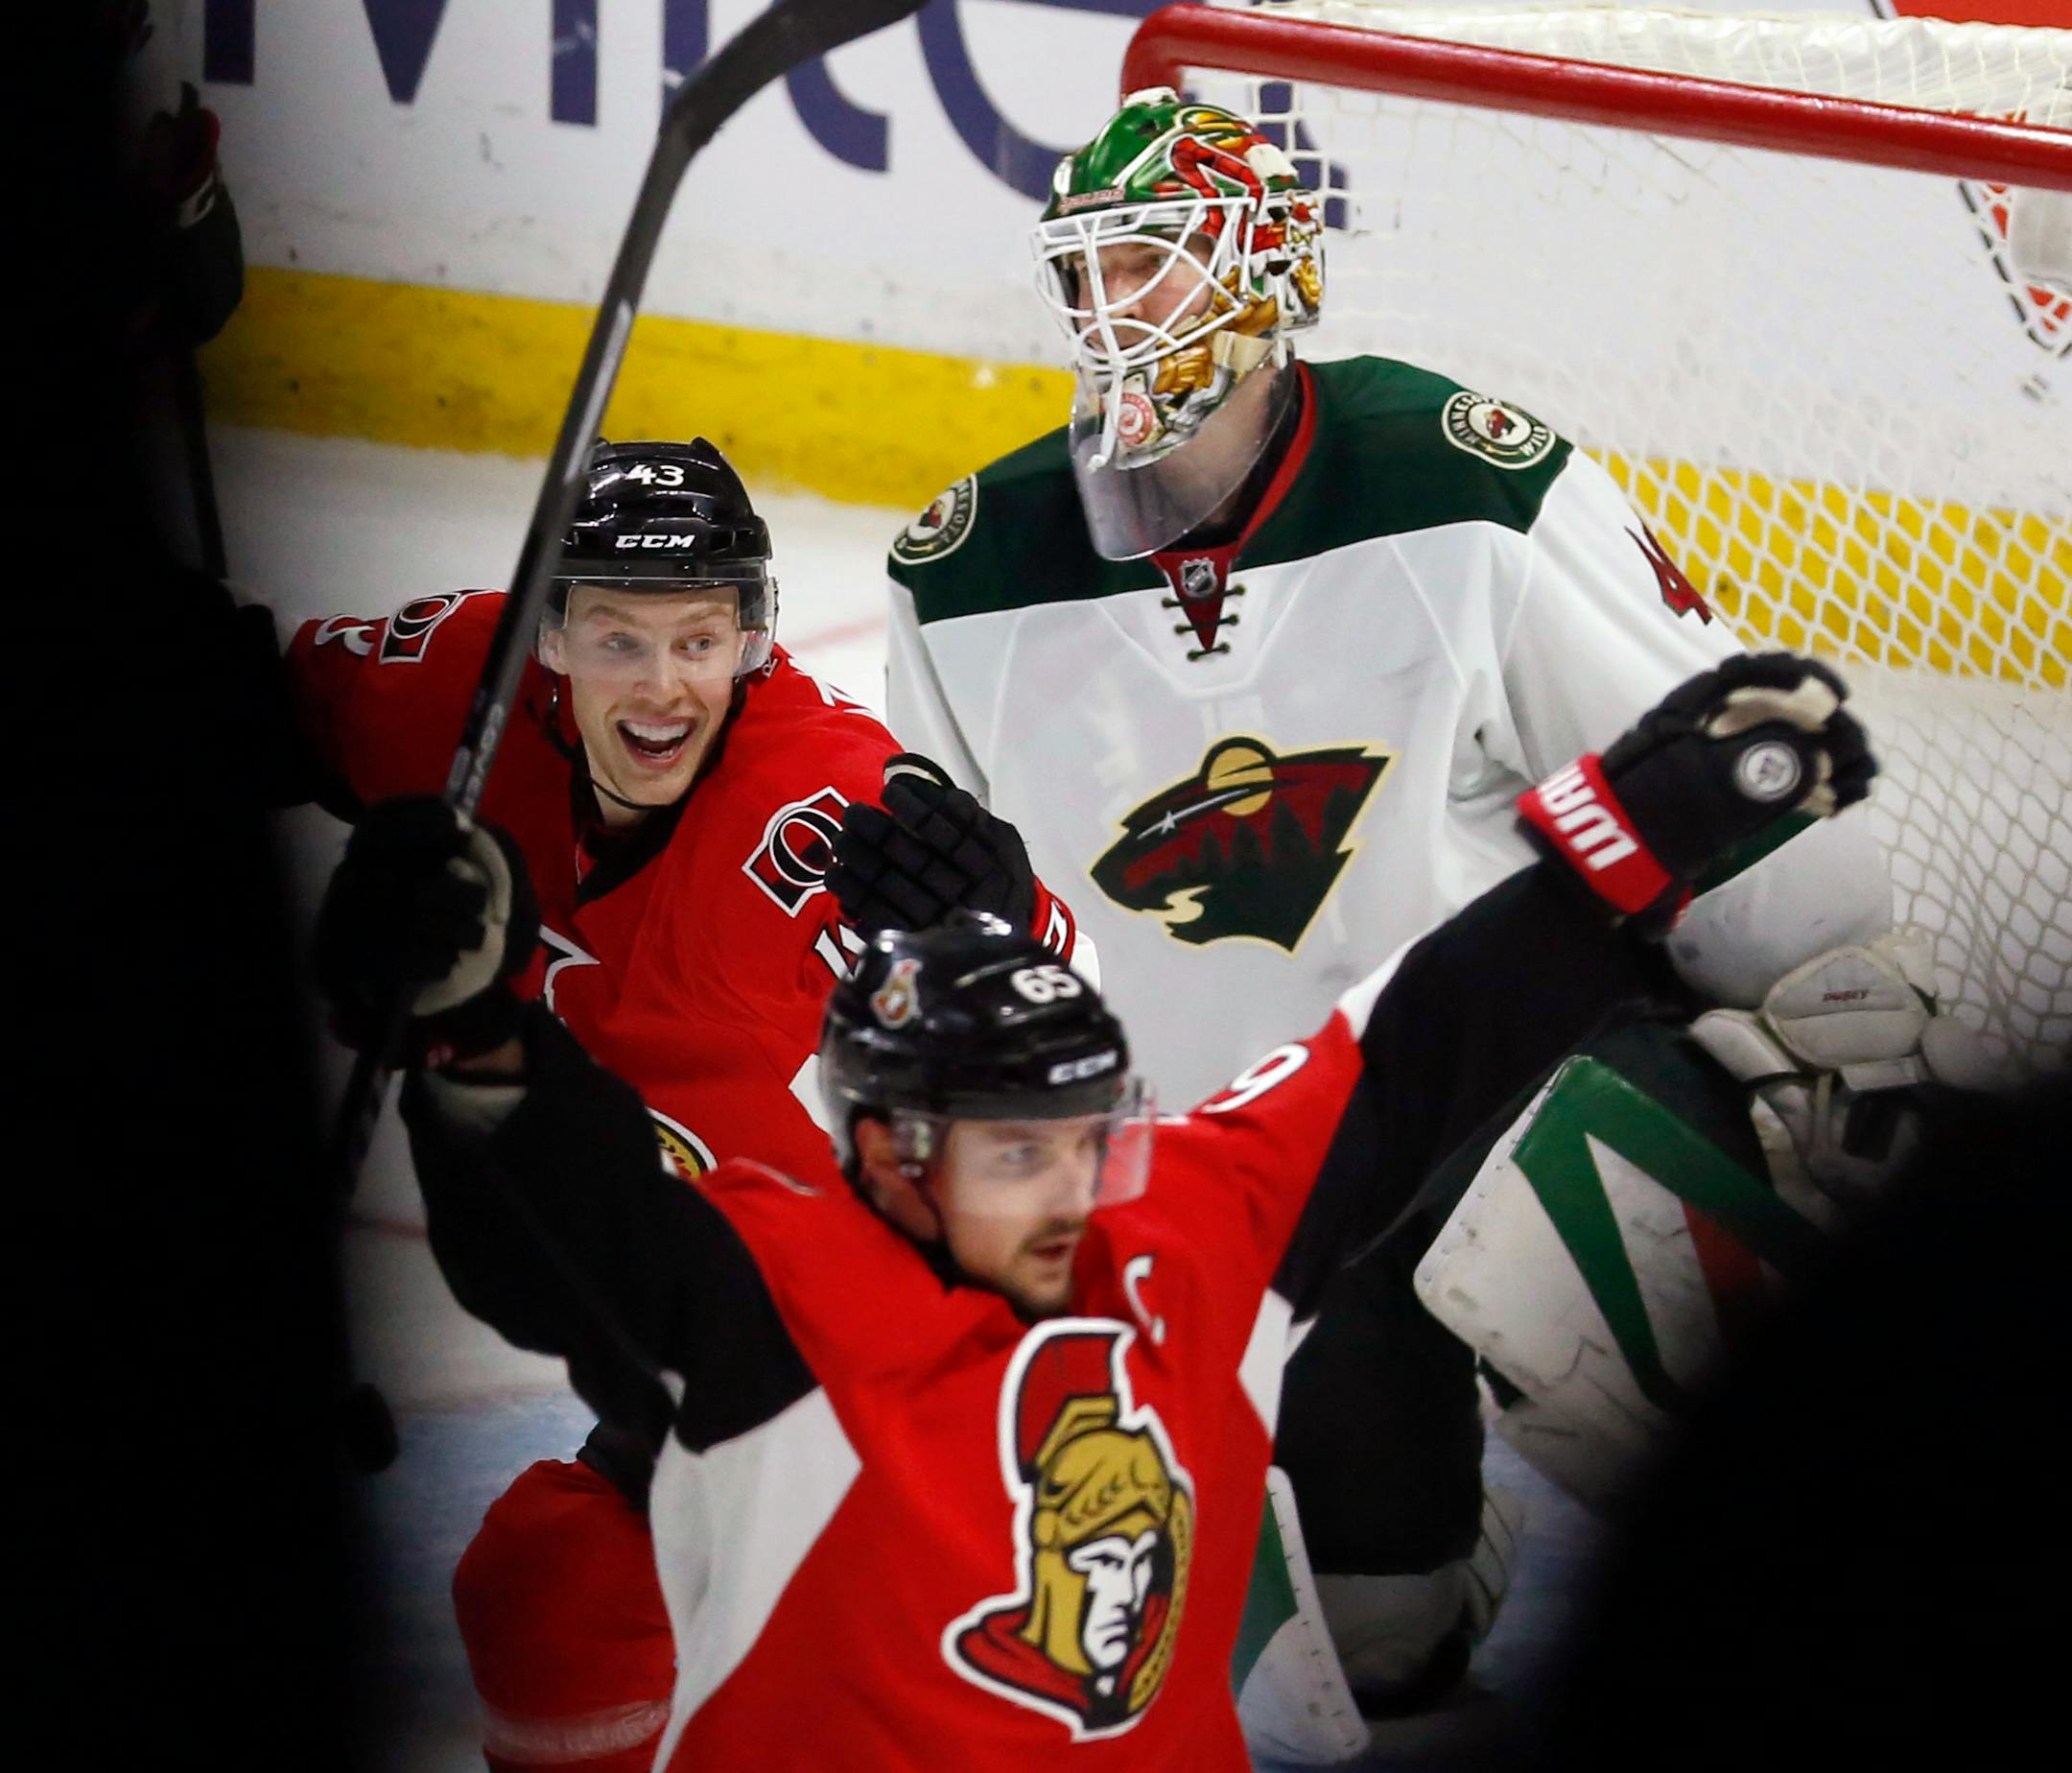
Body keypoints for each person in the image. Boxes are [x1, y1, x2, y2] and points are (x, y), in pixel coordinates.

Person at [878, 87, 1977, 1752]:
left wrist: (1828, 1016)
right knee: (1380, 1660)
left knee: (1624, 1226)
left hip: (1506, 1106)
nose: (1116, 315)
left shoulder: (1459, 485)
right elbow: (967, 953)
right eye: (1092, 274)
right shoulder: (958, 577)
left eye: (1157, 268)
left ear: (1266, 280)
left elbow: (1702, 768)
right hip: (1248, 1203)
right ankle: (1437, 1520)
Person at [321, 650, 1875, 1769]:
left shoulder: (1178, 1235)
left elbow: (1416, 1049)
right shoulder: (788, 1310)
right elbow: (567, 1237)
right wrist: (471, 1032)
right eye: (1014, 1152)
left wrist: (1641, 832)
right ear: (884, 1156)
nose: (1072, 1187)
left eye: (1087, 1134)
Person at [285, 437, 1093, 1773]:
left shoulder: (805, 816)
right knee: (552, 1598)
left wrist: (999, 919)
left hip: (891, 1352)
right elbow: (274, 698)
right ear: (549, 640)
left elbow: (1043, 1027)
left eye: (700, 641)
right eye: (617, 639)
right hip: (688, 1296)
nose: (662, 689)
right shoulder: (451, 698)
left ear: (753, 643)